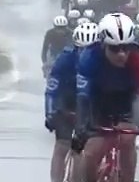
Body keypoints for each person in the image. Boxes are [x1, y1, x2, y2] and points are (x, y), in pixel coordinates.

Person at [74, 13, 139, 182]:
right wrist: (81, 130)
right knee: (92, 151)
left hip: (125, 99)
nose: (121, 54)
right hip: (97, 100)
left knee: (128, 139)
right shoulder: (89, 58)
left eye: (125, 48)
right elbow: (83, 98)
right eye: (114, 49)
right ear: (103, 45)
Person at [46, 21, 100, 182]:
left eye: (90, 49)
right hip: (67, 102)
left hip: (90, 104)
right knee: (62, 145)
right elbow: (51, 89)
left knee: (82, 149)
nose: (85, 53)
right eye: (81, 49)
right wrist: (50, 114)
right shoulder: (65, 58)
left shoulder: (103, 60)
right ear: (75, 46)